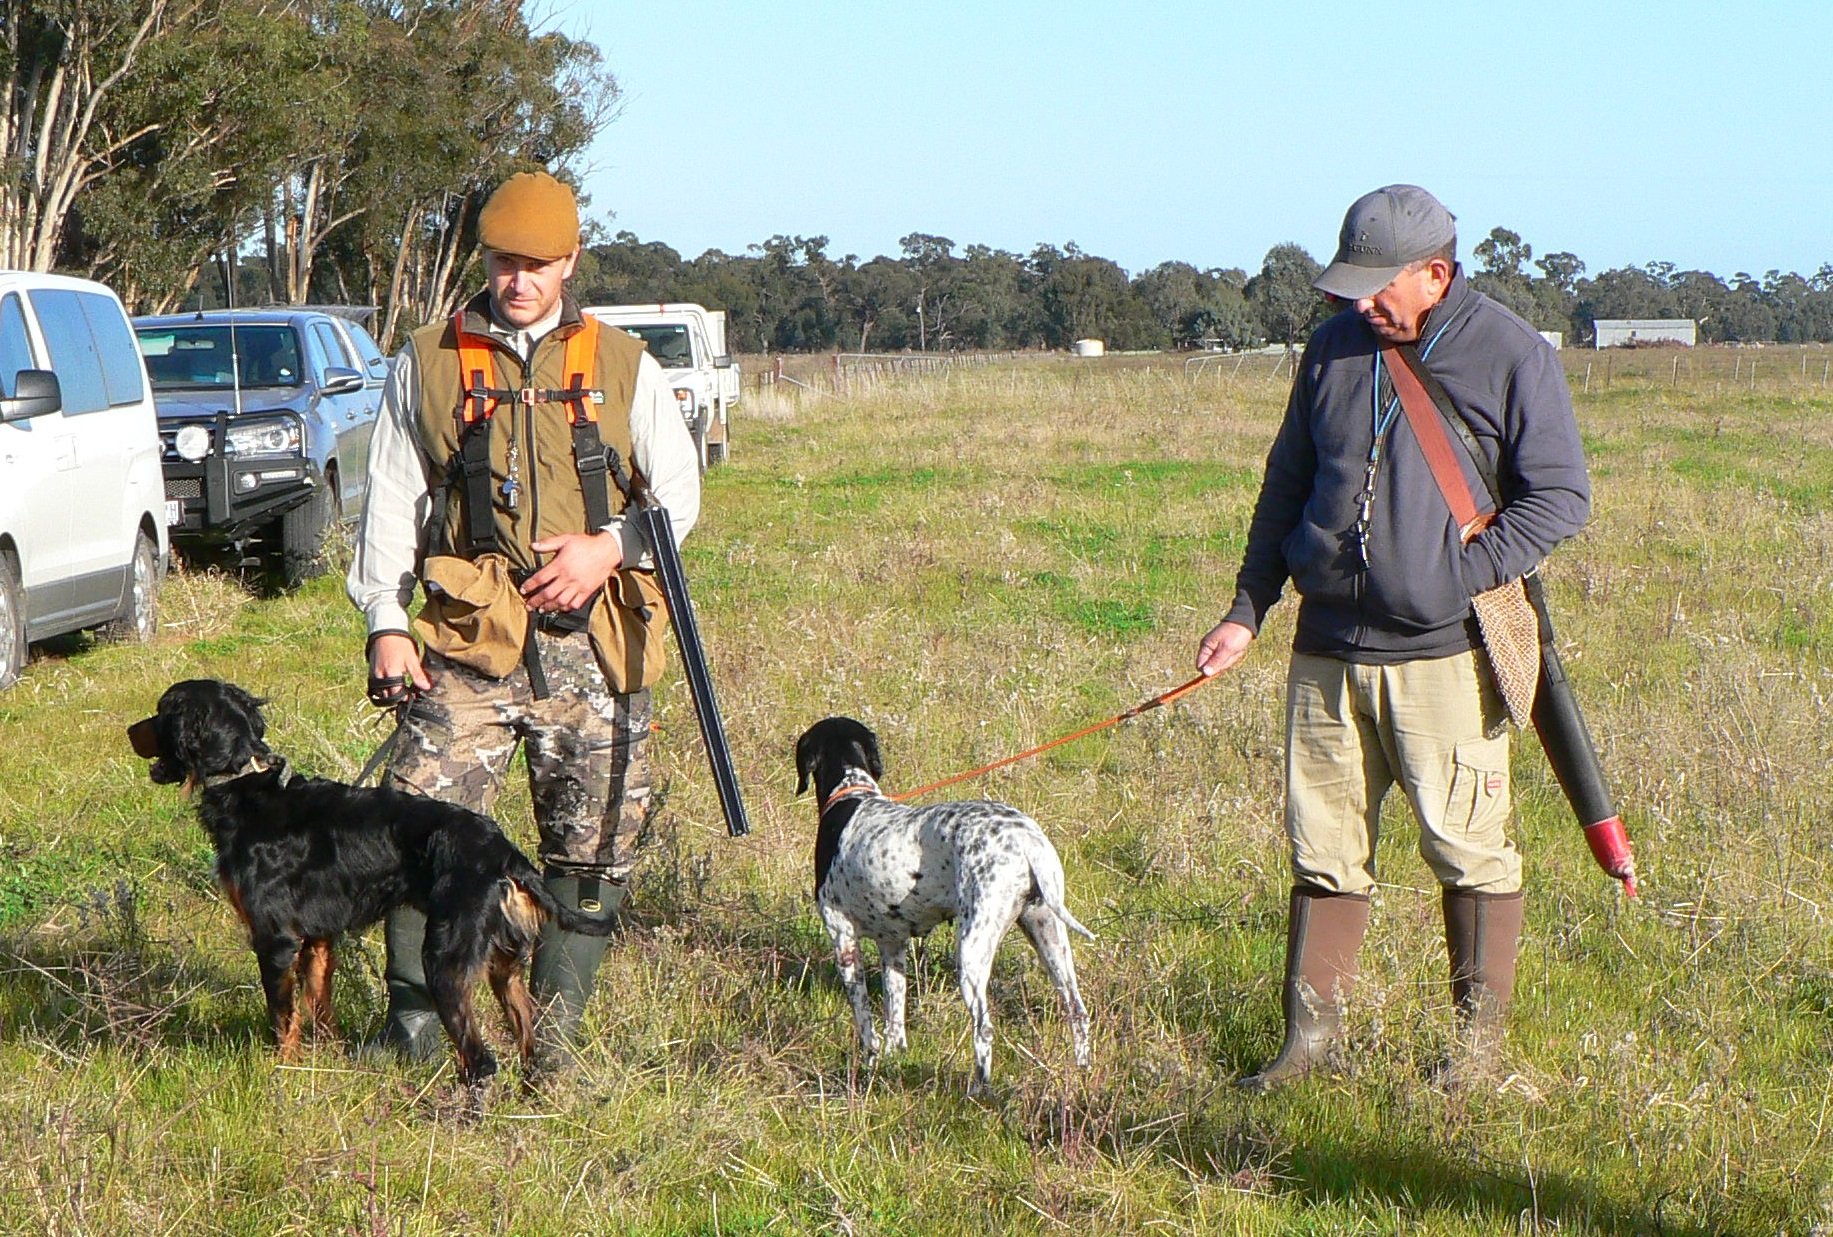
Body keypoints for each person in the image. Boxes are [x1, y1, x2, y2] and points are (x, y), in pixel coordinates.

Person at [1196, 184, 1591, 1091]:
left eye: (1378, 287)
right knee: (1321, 850)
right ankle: (1306, 1049)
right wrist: (1247, 607)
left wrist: (1455, 576)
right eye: (1351, 287)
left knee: (1468, 849)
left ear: (1436, 274)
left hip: (1443, 653)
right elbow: (1285, 484)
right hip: (1325, 648)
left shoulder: (1512, 354)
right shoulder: (1330, 347)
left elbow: (1560, 496)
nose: (1360, 305)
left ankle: (1474, 1059)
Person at [347, 170, 701, 1068]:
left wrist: (607, 547)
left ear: (570, 261)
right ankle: (414, 1030)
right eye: (505, 261)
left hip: (597, 640)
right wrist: (385, 617)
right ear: (486, 260)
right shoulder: (428, 359)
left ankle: (553, 1040)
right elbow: (392, 495)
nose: (519, 280)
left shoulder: (626, 364)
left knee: (594, 843)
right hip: (469, 638)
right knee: (415, 826)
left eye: (537, 263)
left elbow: (679, 494)